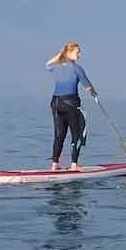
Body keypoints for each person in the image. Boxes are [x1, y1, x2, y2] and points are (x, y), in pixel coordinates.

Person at [43, 42, 95, 170]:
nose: (80, 54)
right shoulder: (77, 68)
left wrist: (60, 55)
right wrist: (93, 92)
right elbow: (87, 85)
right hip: (71, 104)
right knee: (77, 134)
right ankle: (74, 165)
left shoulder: (55, 67)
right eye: (77, 52)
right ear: (69, 53)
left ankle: (55, 165)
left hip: (55, 103)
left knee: (59, 134)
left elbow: (46, 65)